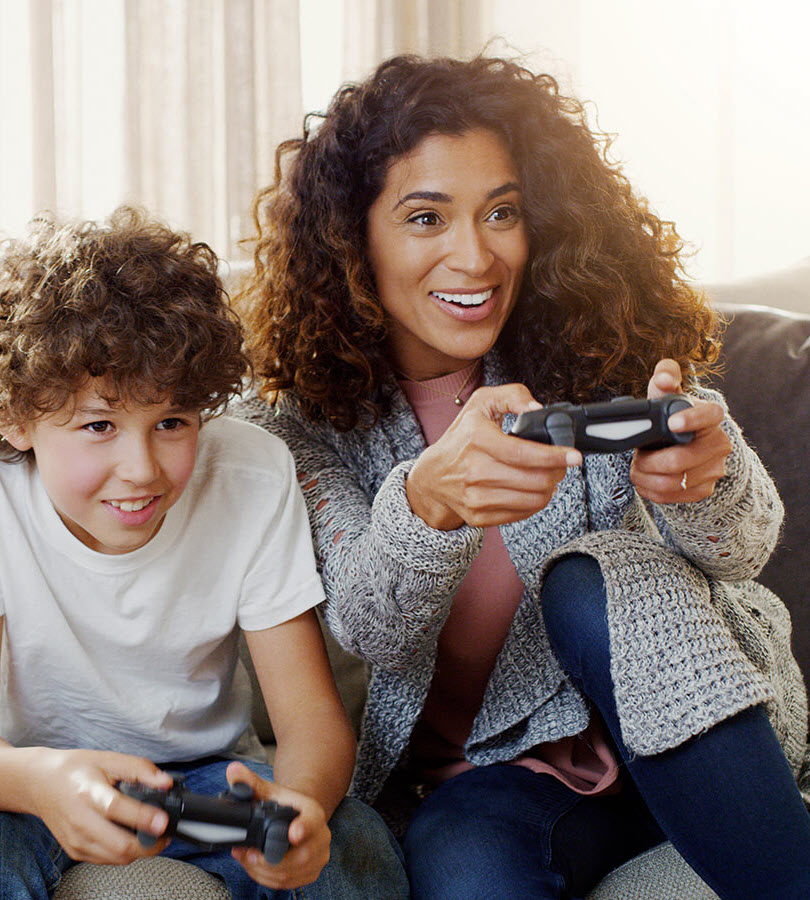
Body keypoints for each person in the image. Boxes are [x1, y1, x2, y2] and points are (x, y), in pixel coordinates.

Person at [235, 54, 810, 900]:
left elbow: (744, 548)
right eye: (426, 218)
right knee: (462, 861)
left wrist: (704, 480)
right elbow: (371, 631)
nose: (476, 256)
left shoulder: (595, 339)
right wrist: (425, 508)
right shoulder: (293, 427)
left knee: (591, 576)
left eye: (501, 212)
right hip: (499, 784)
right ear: (352, 239)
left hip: (690, 735)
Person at [0, 206, 408, 900]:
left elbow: (312, 721)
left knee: (357, 843)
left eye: (171, 422)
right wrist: (38, 782)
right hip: (34, 783)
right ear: (17, 418)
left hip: (206, 779)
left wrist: (298, 806)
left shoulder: (250, 473)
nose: (141, 468)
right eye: (98, 424)